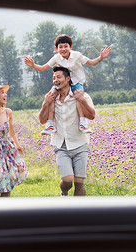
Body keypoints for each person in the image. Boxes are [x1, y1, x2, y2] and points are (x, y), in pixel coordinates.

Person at [25, 34, 110, 135]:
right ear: (57, 48)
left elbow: (91, 63)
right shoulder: (56, 58)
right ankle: (50, 124)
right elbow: (43, 68)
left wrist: (101, 57)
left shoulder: (77, 55)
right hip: (62, 83)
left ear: (71, 47)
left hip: (77, 81)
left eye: (66, 46)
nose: (63, 49)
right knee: (51, 96)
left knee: (78, 96)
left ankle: (82, 122)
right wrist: (33, 65)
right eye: (60, 47)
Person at [38, 67, 95, 196]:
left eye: (58, 77)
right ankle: (64, 192)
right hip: (61, 145)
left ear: (67, 78)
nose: (55, 80)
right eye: (54, 78)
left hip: (80, 143)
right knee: (68, 179)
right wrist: (45, 104)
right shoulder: (51, 98)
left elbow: (91, 116)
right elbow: (42, 120)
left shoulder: (82, 95)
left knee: (79, 182)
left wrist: (82, 100)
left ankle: (78, 214)